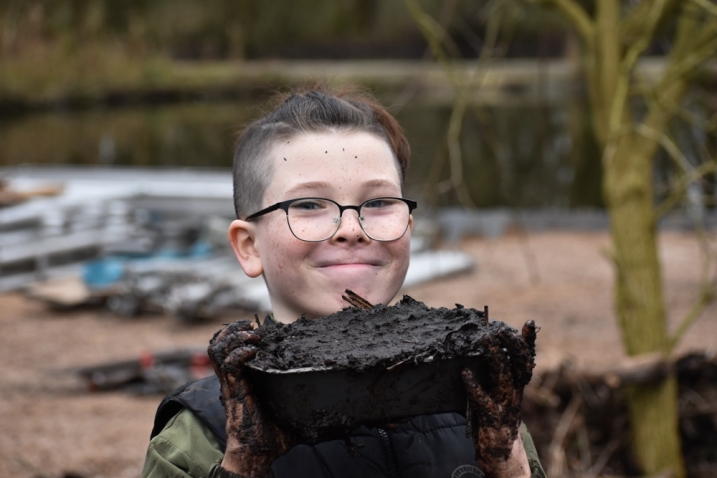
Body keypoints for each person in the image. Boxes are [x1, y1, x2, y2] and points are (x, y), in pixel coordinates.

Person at [141, 87, 545, 478]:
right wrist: (242, 465)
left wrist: (507, 466)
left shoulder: (475, 399)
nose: (352, 229)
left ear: (407, 226)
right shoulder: (202, 437)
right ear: (249, 246)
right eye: (309, 205)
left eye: (379, 202)